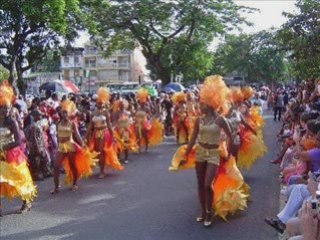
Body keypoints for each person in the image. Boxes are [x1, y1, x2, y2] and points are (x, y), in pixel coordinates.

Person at [0, 82, 37, 216]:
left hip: (12, 153)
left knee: (20, 178)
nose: (6, 110)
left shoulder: (12, 122)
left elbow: (18, 141)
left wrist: (4, 147)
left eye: (8, 107)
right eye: (4, 108)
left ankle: (26, 202)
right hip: (1, 154)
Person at [51, 99, 97, 194]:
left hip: (70, 145)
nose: (64, 114)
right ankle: (56, 186)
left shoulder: (72, 124)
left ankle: (75, 183)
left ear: (69, 113)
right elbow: (57, 136)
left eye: (66, 113)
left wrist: (83, 145)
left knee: (72, 166)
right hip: (61, 146)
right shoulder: (57, 124)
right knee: (56, 166)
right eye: (63, 113)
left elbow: (77, 136)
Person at [87, 88, 123, 179]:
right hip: (96, 133)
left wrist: (113, 136)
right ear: (96, 103)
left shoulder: (106, 113)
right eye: (98, 103)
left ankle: (102, 171)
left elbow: (109, 125)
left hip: (104, 133)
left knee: (102, 151)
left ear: (104, 104)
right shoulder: (93, 113)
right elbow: (91, 126)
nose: (100, 105)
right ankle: (101, 168)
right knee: (98, 152)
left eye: (101, 103)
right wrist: (86, 136)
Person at [25, 109, 52, 181]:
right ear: (35, 116)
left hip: (40, 145)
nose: (41, 116)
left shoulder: (38, 124)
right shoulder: (33, 126)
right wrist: (37, 147)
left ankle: (45, 172)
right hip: (35, 146)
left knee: (43, 158)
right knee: (36, 161)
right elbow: (34, 137)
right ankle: (36, 175)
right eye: (39, 115)